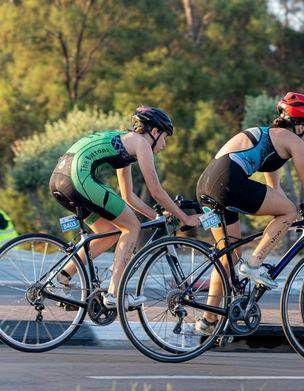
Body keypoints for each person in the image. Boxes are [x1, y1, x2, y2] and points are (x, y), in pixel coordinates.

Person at [195, 92, 304, 333]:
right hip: (227, 181)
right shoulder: (294, 141)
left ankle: (207, 320)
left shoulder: (271, 138)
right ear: (299, 125)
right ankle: (255, 264)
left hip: (207, 184)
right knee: (286, 213)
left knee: (228, 257)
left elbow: (274, 190)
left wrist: (295, 216)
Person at [49, 106, 200, 308]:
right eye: (165, 137)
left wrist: (155, 215)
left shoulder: (124, 145)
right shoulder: (141, 144)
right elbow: (156, 191)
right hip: (78, 178)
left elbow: (128, 196)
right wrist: (185, 217)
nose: (164, 144)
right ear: (154, 132)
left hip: (60, 180)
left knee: (110, 232)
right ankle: (115, 294)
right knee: (132, 227)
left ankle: (61, 276)